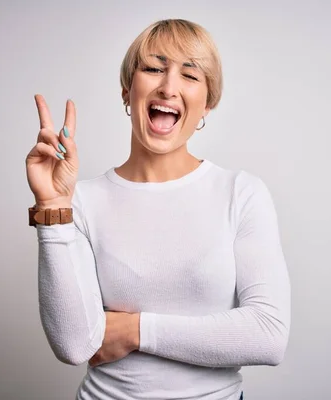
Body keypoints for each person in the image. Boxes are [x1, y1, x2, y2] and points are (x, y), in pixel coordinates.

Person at [25, 18, 291, 400]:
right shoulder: (80, 201)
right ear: (126, 91)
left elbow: (268, 335)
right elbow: (73, 345)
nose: (168, 87)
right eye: (153, 68)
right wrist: (52, 208)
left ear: (208, 104)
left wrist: (135, 330)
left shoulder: (241, 193)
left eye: (190, 75)